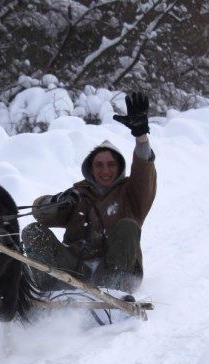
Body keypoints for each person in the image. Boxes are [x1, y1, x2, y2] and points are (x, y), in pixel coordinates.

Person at [22, 92, 157, 293]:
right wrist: (57, 201)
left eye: (111, 165)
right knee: (32, 231)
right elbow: (40, 214)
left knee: (128, 226)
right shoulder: (78, 194)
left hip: (114, 270)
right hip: (75, 269)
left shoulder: (132, 194)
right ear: (90, 169)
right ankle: (51, 291)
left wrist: (141, 137)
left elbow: (144, 171)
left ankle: (114, 292)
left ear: (119, 167)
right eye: (99, 165)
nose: (105, 171)